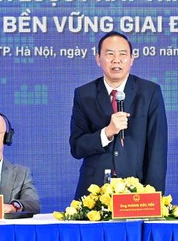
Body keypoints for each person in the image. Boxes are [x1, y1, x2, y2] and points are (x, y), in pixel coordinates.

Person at [69, 31, 168, 199]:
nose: (116, 60)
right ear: (98, 58)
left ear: (132, 59)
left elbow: (157, 149)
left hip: (136, 190)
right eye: (110, 54)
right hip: (94, 192)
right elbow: (77, 147)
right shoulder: (84, 94)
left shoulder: (149, 92)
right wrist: (106, 133)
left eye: (122, 54)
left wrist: (154, 197)